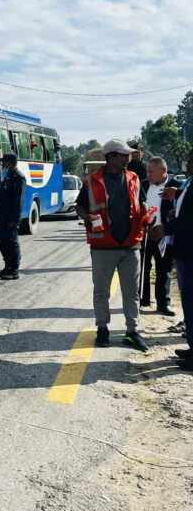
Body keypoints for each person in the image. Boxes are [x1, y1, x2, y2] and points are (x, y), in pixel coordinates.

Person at [76, 139, 149, 351]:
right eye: (123, 155)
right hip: (103, 247)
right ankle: (102, 329)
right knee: (101, 291)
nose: (128, 158)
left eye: (128, 155)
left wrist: (145, 210)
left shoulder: (134, 178)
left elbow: (141, 202)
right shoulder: (91, 181)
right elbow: (80, 206)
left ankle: (132, 332)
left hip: (130, 245)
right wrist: (87, 217)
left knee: (131, 292)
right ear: (111, 157)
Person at [149, 176, 193, 369]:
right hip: (185, 252)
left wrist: (165, 229)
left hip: (190, 252)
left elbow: (190, 219)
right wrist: (179, 194)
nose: (189, 165)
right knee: (189, 304)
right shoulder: (190, 183)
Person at [140, 157, 181, 315]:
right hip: (144, 234)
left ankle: (163, 303)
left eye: (151, 171)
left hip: (165, 235)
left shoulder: (176, 187)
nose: (148, 175)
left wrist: (165, 227)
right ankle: (142, 300)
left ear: (163, 171)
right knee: (143, 268)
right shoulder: (143, 185)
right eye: (147, 171)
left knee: (164, 269)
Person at [0, 153, 25, 280]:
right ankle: (7, 266)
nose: (2, 164)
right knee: (3, 242)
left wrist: (14, 219)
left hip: (10, 218)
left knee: (12, 243)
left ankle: (14, 270)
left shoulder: (19, 177)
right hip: (2, 217)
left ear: (11, 163)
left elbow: (19, 201)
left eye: (4, 162)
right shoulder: (8, 176)